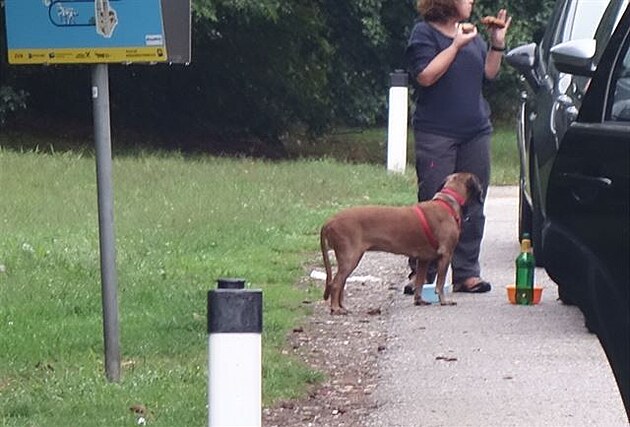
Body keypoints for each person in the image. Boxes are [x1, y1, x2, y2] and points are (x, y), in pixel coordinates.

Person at [403, 0, 511, 294]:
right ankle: (422, 273)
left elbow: (488, 74)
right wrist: (454, 47)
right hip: (436, 131)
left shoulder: (468, 32)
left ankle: (466, 272)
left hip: (475, 130)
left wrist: (496, 45)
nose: (471, 2)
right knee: (432, 202)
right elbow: (425, 75)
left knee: (474, 200)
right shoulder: (424, 34)